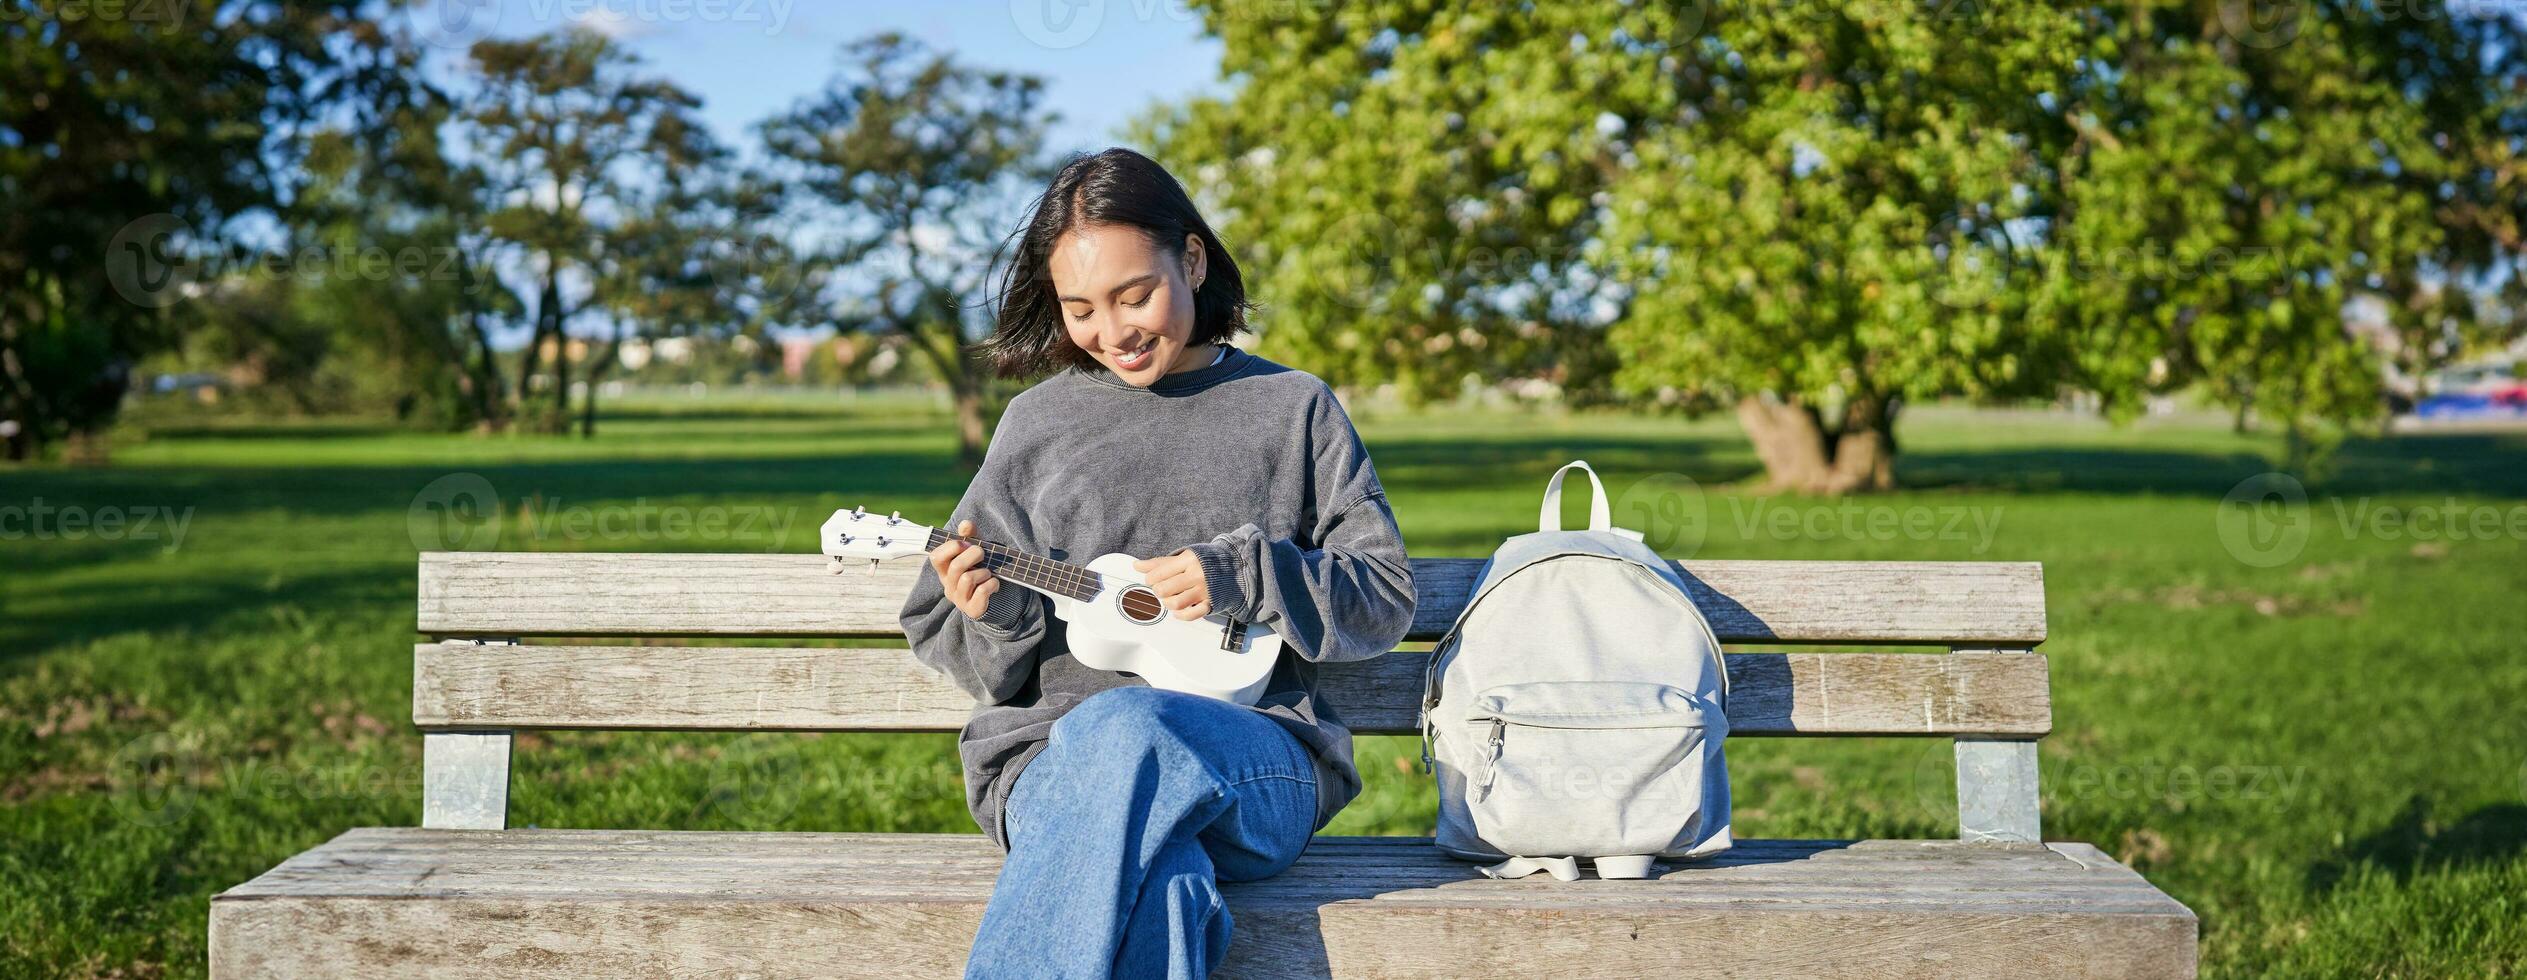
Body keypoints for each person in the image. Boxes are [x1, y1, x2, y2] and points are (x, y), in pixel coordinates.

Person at [899, 147, 1417, 979]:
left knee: (1123, 726)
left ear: (1194, 258)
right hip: (1051, 770)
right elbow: (961, 645)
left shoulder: (1292, 409)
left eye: (1133, 294)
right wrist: (995, 614)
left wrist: (1248, 576)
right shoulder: (1038, 424)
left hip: (1255, 768)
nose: (1110, 332)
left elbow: (1384, 598)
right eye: (1080, 309)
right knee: (1162, 884)